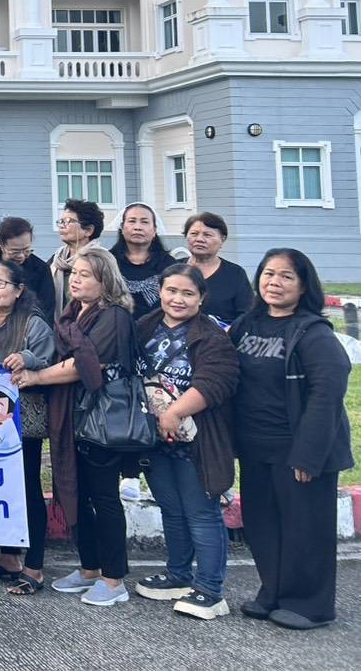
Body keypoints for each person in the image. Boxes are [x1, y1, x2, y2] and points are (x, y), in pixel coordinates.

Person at [229, 248, 354, 629]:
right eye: (268, 273)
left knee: (305, 528)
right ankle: (274, 592)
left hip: (297, 448)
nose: (274, 282)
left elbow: (327, 394)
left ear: (303, 286)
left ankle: (311, 605)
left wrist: (308, 455)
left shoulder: (313, 333)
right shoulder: (247, 324)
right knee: (262, 525)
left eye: (286, 276)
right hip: (256, 446)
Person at [15, 247, 136, 607]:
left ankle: (114, 579)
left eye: (86, 275)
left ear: (105, 281)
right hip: (71, 417)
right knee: (76, 492)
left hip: (101, 418)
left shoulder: (114, 316)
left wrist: (36, 376)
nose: (76, 280)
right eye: (75, 274)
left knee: (104, 497)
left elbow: (83, 366)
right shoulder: (71, 314)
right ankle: (89, 568)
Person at [132, 264, 239, 620]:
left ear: (201, 298)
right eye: (171, 290)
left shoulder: (212, 336)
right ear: (160, 292)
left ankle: (210, 589)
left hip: (197, 440)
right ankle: (178, 575)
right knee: (172, 509)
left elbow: (216, 382)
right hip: (154, 439)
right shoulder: (144, 326)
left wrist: (174, 413)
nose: (178, 299)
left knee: (201, 514)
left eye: (187, 293)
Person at [0, 260, 56, 596]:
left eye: (0, 283)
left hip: (22, 420)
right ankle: (8, 558)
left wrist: (27, 358)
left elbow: (49, 359)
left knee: (28, 487)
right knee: (1, 488)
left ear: (19, 290)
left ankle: (34, 566)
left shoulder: (33, 323)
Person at [0, 217, 56, 322]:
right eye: (15, 251)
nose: (21, 256)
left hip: (25, 326)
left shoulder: (41, 268)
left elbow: (47, 309)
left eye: (27, 250)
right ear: (1, 244)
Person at [182, 213, 253, 326]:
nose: (199, 239)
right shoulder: (173, 268)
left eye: (207, 235)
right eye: (194, 234)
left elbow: (246, 314)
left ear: (222, 239)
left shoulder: (235, 274)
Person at [110, 203, 176, 320]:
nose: (138, 227)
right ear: (122, 228)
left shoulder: (169, 265)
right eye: (132, 221)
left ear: (154, 230)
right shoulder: (108, 261)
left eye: (144, 222)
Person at [50, 198, 104, 317]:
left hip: (91, 321)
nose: (62, 226)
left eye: (68, 221)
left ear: (88, 230)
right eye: (61, 221)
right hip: (59, 324)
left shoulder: (101, 260)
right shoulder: (57, 259)